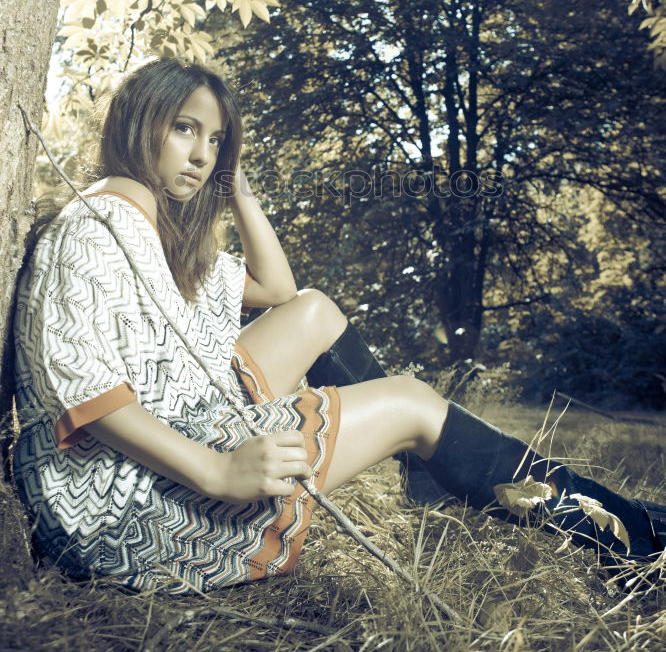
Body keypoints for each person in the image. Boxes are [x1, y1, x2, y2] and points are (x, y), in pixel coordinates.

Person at [12, 58, 665, 596]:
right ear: (138, 120)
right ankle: (632, 541)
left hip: (157, 434)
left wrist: (236, 188)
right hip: (113, 507)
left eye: (215, 141)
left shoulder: (150, 227)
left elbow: (278, 291)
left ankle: (430, 464)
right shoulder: (102, 224)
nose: (202, 155)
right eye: (185, 129)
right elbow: (91, 394)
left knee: (317, 310)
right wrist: (218, 473)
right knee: (410, 399)